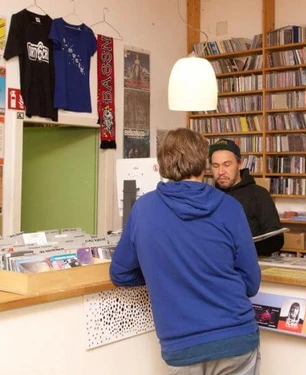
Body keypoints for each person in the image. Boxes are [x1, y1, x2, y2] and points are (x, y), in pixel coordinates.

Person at [110, 128, 261, 374]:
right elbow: (251, 283)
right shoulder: (229, 208)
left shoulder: (143, 210)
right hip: (235, 336)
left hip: (182, 346)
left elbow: (121, 274)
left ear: (162, 165)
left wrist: (159, 276)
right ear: (204, 165)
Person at [209, 139, 284, 255]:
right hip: (217, 264)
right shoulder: (208, 196)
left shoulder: (259, 194)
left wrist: (242, 248)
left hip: (252, 263)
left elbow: (276, 241)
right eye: (215, 166)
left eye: (227, 165)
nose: (220, 172)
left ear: (239, 164)